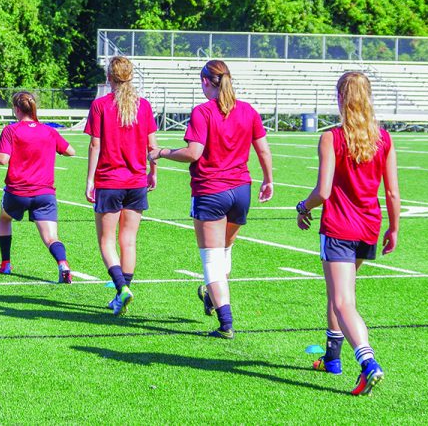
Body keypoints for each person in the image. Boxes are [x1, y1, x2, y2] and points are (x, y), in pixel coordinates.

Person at [150, 59, 273, 339]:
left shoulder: (203, 112)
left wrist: (163, 153)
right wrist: (268, 179)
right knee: (226, 249)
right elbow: (263, 150)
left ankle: (225, 322)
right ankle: (213, 297)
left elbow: (193, 152)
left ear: (206, 82)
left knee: (212, 258)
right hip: (241, 190)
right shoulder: (247, 110)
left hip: (211, 190)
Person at [296, 71, 399, 396]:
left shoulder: (332, 138)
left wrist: (303, 206)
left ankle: (368, 362)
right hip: (369, 226)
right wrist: (394, 228)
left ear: (341, 98)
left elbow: (323, 192)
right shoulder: (383, 138)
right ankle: (333, 359)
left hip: (340, 226)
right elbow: (393, 193)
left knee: (343, 300)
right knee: (339, 294)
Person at [85, 56, 158, 315]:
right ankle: (121, 294)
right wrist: (153, 171)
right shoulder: (144, 106)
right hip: (136, 181)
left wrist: (90, 180)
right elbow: (152, 146)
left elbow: (95, 145)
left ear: (109, 77)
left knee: (106, 242)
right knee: (128, 240)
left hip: (110, 180)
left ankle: (121, 289)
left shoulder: (100, 106)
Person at [0, 92, 77, 281]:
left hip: (17, 192)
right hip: (45, 194)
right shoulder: (49, 131)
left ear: (17, 109)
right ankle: (63, 263)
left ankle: (6, 264)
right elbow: (71, 151)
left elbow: (2, 159)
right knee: (51, 237)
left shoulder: (11, 130)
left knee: (4, 219)